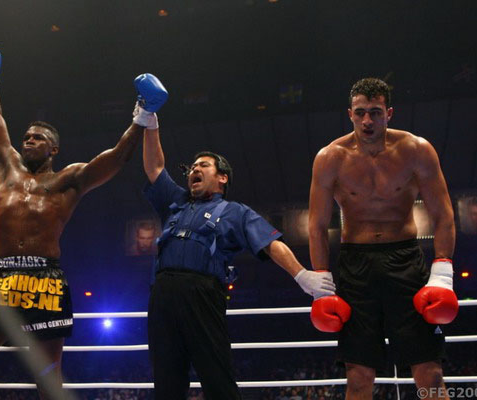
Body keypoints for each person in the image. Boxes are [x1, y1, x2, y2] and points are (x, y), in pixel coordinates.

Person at [0, 45, 153, 400]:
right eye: (26, 137)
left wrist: (142, 115)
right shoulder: (6, 167)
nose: (28, 141)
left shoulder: (69, 179)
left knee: (47, 382)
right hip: (0, 276)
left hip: (45, 281)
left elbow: (116, 158)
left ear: (54, 149)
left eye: (37, 138)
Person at [135, 75, 336, 400]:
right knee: (166, 382)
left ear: (222, 177)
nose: (193, 170)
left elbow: (272, 243)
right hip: (162, 295)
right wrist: (150, 119)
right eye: (192, 167)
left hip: (203, 293)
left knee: (217, 378)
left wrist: (303, 277)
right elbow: (155, 167)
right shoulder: (176, 200)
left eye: (203, 165)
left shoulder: (234, 211)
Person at [308, 77, 458, 400]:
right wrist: (321, 281)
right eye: (360, 112)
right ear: (349, 113)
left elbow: (443, 215)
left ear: (389, 113)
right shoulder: (329, 158)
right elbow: (317, 225)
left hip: (406, 262)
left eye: (375, 112)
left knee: (429, 372)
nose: (367, 121)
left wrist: (442, 273)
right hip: (355, 267)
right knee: (359, 378)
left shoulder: (417, 151)